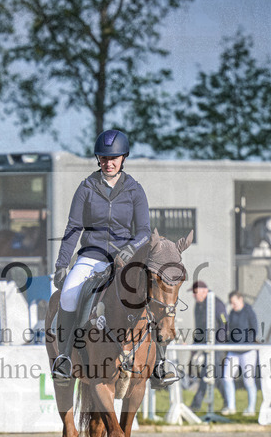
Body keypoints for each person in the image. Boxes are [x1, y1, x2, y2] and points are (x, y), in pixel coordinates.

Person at [50, 129, 180, 386]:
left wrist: (130, 250)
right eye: (104, 158)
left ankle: (161, 362)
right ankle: (64, 357)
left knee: (153, 296)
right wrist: (62, 263)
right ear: (98, 159)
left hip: (126, 259)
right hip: (92, 255)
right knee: (68, 294)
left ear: (123, 158)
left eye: (114, 158)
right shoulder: (86, 187)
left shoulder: (134, 190)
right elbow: (73, 228)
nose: (109, 163)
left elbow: (144, 230)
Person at [189, 281, 228, 417]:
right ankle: (196, 404)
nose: (194, 296)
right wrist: (195, 345)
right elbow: (199, 328)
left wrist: (217, 344)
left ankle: (228, 402)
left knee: (213, 373)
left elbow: (223, 325)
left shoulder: (216, 304)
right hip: (204, 344)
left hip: (215, 345)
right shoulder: (198, 306)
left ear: (204, 291)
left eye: (195, 292)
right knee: (207, 374)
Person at [224, 291, 259, 415]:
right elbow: (229, 328)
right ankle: (231, 406)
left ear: (241, 299)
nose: (233, 305)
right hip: (233, 351)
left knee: (248, 380)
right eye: (231, 303)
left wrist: (245, 342)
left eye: (235, 302)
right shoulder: (232, 313)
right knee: (226, 377)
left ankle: (251, 409)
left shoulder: (249, 311)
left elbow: (254, 330)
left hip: (247, 351)